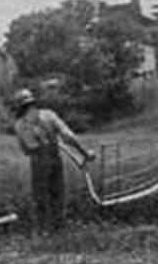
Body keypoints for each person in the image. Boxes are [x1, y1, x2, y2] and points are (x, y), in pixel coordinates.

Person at [10, 89, 96, 232]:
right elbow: (68, 136)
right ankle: (59, 229)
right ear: (33, 102)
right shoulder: (49, 114)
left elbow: (27, 151)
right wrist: (85, 153)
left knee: (40, 199)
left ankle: (44, 231)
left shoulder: (20, 125)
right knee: (58, 196)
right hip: (55, 160)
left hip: (39, 164)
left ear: (19, 107)